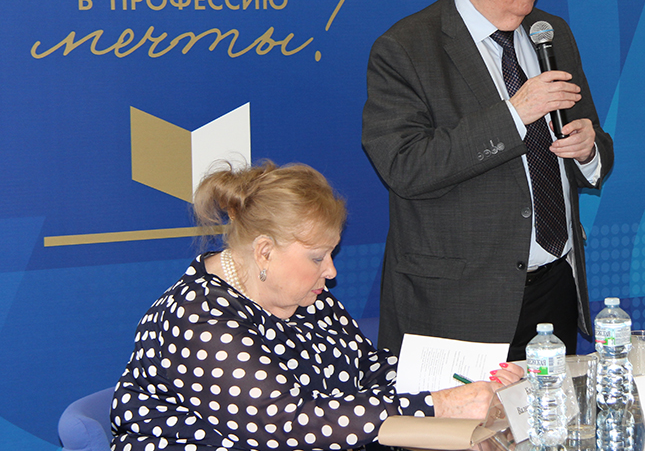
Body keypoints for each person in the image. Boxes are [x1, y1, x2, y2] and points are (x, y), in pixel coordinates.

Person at [111, 161, 521, 451]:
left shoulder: (307, 296)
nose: (331, 271)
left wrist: (469, 383)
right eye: (317, 257)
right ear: (264, 251)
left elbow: (368, 371)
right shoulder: (197, 320)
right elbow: (287, 425)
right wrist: (439, 405)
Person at [362, 0, 613, 361]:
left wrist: (588, 149)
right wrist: (514, 115)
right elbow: (405, 167)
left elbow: (593, 135)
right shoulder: (406, 48)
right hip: (460, 303)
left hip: (555, 285)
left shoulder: (551, 33)